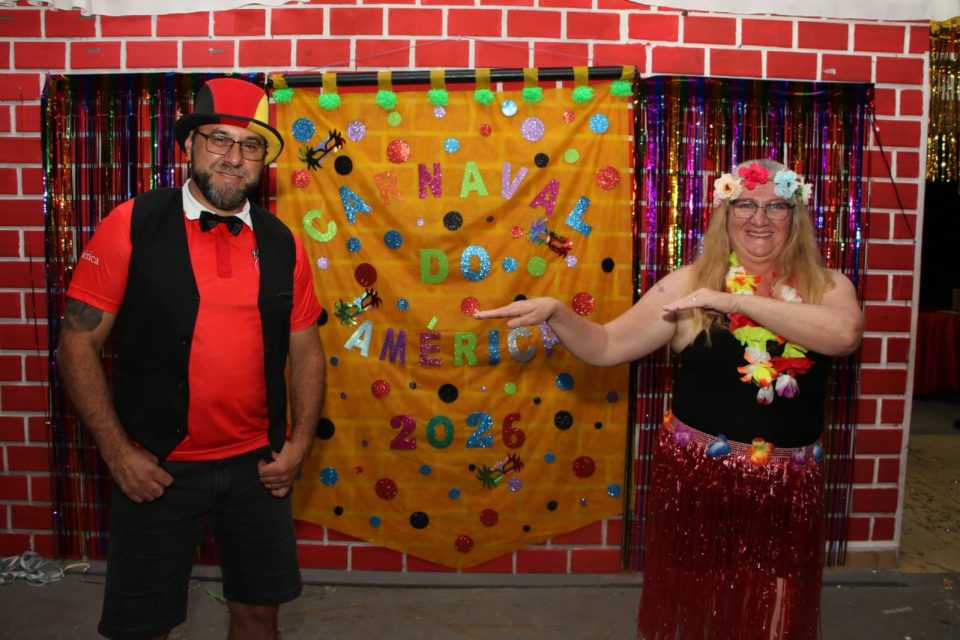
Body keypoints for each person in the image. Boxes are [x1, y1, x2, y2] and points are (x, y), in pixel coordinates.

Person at [475, 159, 863, 639]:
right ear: (725, 213)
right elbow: (608, 345)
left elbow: (844, 335)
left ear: (795, 215)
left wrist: (734, 302)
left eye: (776, 206)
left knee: (775, 606)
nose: (759, 219)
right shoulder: (688, 285)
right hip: (701, 477)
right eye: (745, 204)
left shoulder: (827, 287)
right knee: (704, 605)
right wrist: (558, 314)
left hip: (787, 483)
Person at [57, 77, 326, 640]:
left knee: (259, 615)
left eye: (250, 145)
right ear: (188, 146)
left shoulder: (284, 243)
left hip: (257, 469)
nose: (234, 157)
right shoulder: (131, 224)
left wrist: (300, 442)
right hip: (155, 466)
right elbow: (76, 343)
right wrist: (118, 453)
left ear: (264, 160)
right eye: (218, 139)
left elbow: (307, 350)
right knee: (143, 625)